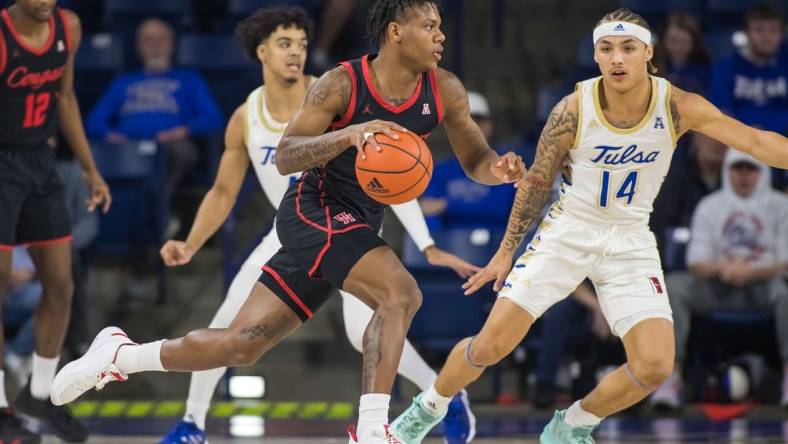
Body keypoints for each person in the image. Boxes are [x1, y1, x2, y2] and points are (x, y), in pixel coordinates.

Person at [50, 2, 525, 444]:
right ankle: (373, 428)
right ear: (397, 33)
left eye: (442, 26)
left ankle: (119, 356)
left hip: (357, 221)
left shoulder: (444, 88)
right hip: (313, 208)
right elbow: (286, 155)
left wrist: (497, 171)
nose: (441, 36)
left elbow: (475, 158)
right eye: (430, 26)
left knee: (240, 346)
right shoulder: (341, 83)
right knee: (401, 293)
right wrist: (349, 134)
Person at [390, 8, 788, 443]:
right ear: (596, 57)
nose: (617, 58)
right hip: (569, 231)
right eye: (606, 49)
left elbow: (754, 141)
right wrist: (506, 252)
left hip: (631, 238)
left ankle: (571, 426)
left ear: (648, 54)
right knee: (490, 345)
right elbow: (536, 183)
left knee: (655, 366)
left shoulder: (675, 106)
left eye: (628, 48)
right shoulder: (572, 110)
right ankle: (427, 406)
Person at [155, 7, 477, 444]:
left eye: (303, 45)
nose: (296, 53)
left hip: (347, 223)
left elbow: (393, 175)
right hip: (293, 224)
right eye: (285, 44)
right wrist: (191, 244)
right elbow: (222, 193)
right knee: (231, 325)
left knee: (378, 315)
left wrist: (427, 243)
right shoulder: (246, 115)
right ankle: (192, 422)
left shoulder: (330, 91)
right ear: (262, 52)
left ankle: (437, 396)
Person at [0, 0, 111, 442]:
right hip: (1, 165)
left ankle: (40, 393)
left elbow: (64, 97)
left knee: (61, 284)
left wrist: (90, 168)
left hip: (39, 164)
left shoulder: (69, 25)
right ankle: (2, 407)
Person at [650, 149, 788, 410]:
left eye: (751, 169)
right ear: (728, 170)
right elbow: (695, 263)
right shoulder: (710, 205)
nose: (744, 176)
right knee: (674, 287)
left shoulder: (781, 206)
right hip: (718, 287)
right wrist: (723, 268)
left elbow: (785, 261)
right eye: (738, 169)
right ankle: (670, 377)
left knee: (785, 292)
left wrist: (751, 271)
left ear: (763, 171)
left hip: (765, 288)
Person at [85, 17, 223, 202]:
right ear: (139, 46)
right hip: (127, 145)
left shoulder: (189, 79)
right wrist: (111, 136)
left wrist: (182, 131)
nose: (155, 44)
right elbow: (93, 122)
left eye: (161, 38)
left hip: (169, 145)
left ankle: (156, 211)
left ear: (171, 44)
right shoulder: (124, 82)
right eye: (148, 39)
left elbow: (213, 117)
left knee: (182, 153)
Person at [708, 3, 788, 189]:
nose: (766, 36)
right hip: (739, 144)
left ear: (781, 35)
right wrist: (747, 135)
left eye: (772, 30)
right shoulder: (727, 67)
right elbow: (721, 113)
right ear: (747, 33)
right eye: (759, 30)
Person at [420, 91, 517, 232]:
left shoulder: (506, 163)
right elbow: (427, 212)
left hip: (497, 245)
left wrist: (445, 205)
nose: (473, 127)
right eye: (465, 122)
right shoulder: (442, 170)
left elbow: (500, 209)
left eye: (478, 121)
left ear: (490, 125)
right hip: (450, 245)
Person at [652, 13, 710, 95]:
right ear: (663, 41)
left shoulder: (705, 70)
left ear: (693, 43)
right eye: (673, 41)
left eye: (684, 41)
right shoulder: (652, 67)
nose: (678, 47)